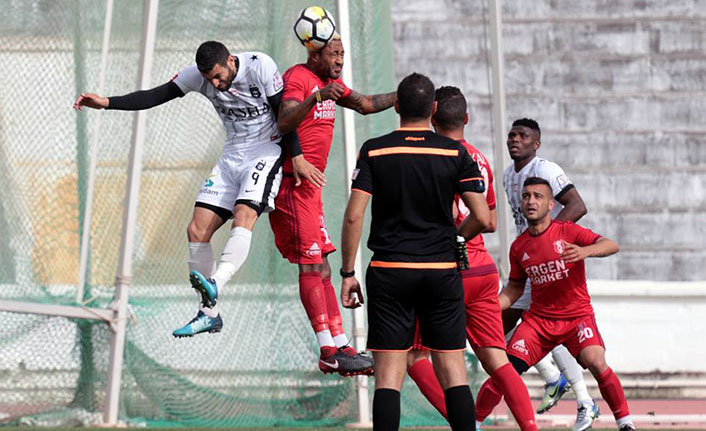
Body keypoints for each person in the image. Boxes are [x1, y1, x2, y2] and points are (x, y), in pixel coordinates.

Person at [74, 41, 309, 337]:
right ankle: (209, 314)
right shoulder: (197, 76)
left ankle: (217, 284)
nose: (214, 84)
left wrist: (297, 155)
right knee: (196, 231)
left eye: (218, 76)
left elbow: (284, 115)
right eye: (208, 78)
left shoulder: (260, 65)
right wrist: (107, 102)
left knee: (243, 214)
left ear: (230, 61)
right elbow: (155, 95)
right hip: (232, 154)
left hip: (265, 150)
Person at [340, 72, 490, 431]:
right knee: (452, 370)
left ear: (396, 106)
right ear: (433, 108)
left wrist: (347, 273)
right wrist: (456, 240)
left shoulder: (375, 149)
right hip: (440, 270)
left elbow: (353, 217)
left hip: (390, 271)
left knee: (389, 376)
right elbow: (482, 217)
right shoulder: (455, 153)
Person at [401, 86, 537, 431]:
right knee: (496, 359)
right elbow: (488, 221)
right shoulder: (479, 159)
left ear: (432, 116)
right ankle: (532, 428)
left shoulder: (427, 155)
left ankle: (466, 425)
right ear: (467, 118)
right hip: (482, 269)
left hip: (444, 270)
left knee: (414, 356)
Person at [261, 33, 396, 376]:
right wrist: (317, 96)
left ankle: (340, 344)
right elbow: (285, 120)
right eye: (334, 54)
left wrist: (402, 96)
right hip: (293, 184)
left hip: (312, 190)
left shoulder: (329, 82)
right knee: (309, 266)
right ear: (315, 54)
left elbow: (364, 104)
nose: (339, 60)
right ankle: (327, 349)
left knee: (320, 266)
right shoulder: (298, 79)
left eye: (342, 54)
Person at [475, 177, 635, 431]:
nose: (531, 201)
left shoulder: (567, 231)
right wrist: (490, 307)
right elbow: (515, 287)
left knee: (596, 361)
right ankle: (473, 423)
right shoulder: (519, 247)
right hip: (539, 323)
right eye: (526, 196)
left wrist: (585, 252)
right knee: (503, 371)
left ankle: (625, 423)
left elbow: (611, 244)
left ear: (551, 204)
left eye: (538, 196)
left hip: (577, 317)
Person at [501, 118, 598, 428]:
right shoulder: (507, 175)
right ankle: (554, 378)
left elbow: (577, 205)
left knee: (546, 328)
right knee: (499, 330)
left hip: (550, 264)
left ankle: (584, 400)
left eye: (523, 136)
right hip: (525, 263)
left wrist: (549, 239)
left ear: (536, 144)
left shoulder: (546, 170)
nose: (515, 140)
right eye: (512, 135)